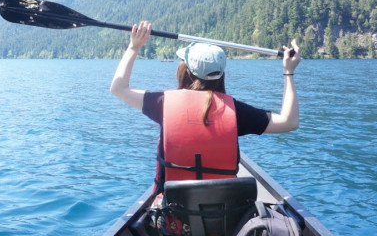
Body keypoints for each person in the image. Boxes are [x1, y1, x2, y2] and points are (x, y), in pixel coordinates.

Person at [110, 21, 301, 195]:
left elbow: (118, 88)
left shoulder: (163, 104)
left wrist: (133, 47)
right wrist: (288, 72)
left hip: (173, 222)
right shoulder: (236, 112)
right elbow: (289, 122)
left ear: (187, 72)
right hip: (225, 220)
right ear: (221, 73)